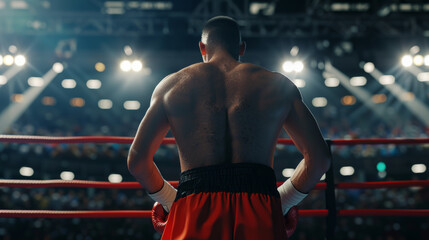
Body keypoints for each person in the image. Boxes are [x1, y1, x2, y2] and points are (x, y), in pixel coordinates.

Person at [127, 16, 331, 239]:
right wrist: (283, 200)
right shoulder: (279, 85)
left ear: (202, 47)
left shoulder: (172, 86)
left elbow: (137, 160)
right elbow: (319, 159)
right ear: (241, 48)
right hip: (260, 203)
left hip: (194, 205)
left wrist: (169, 199)